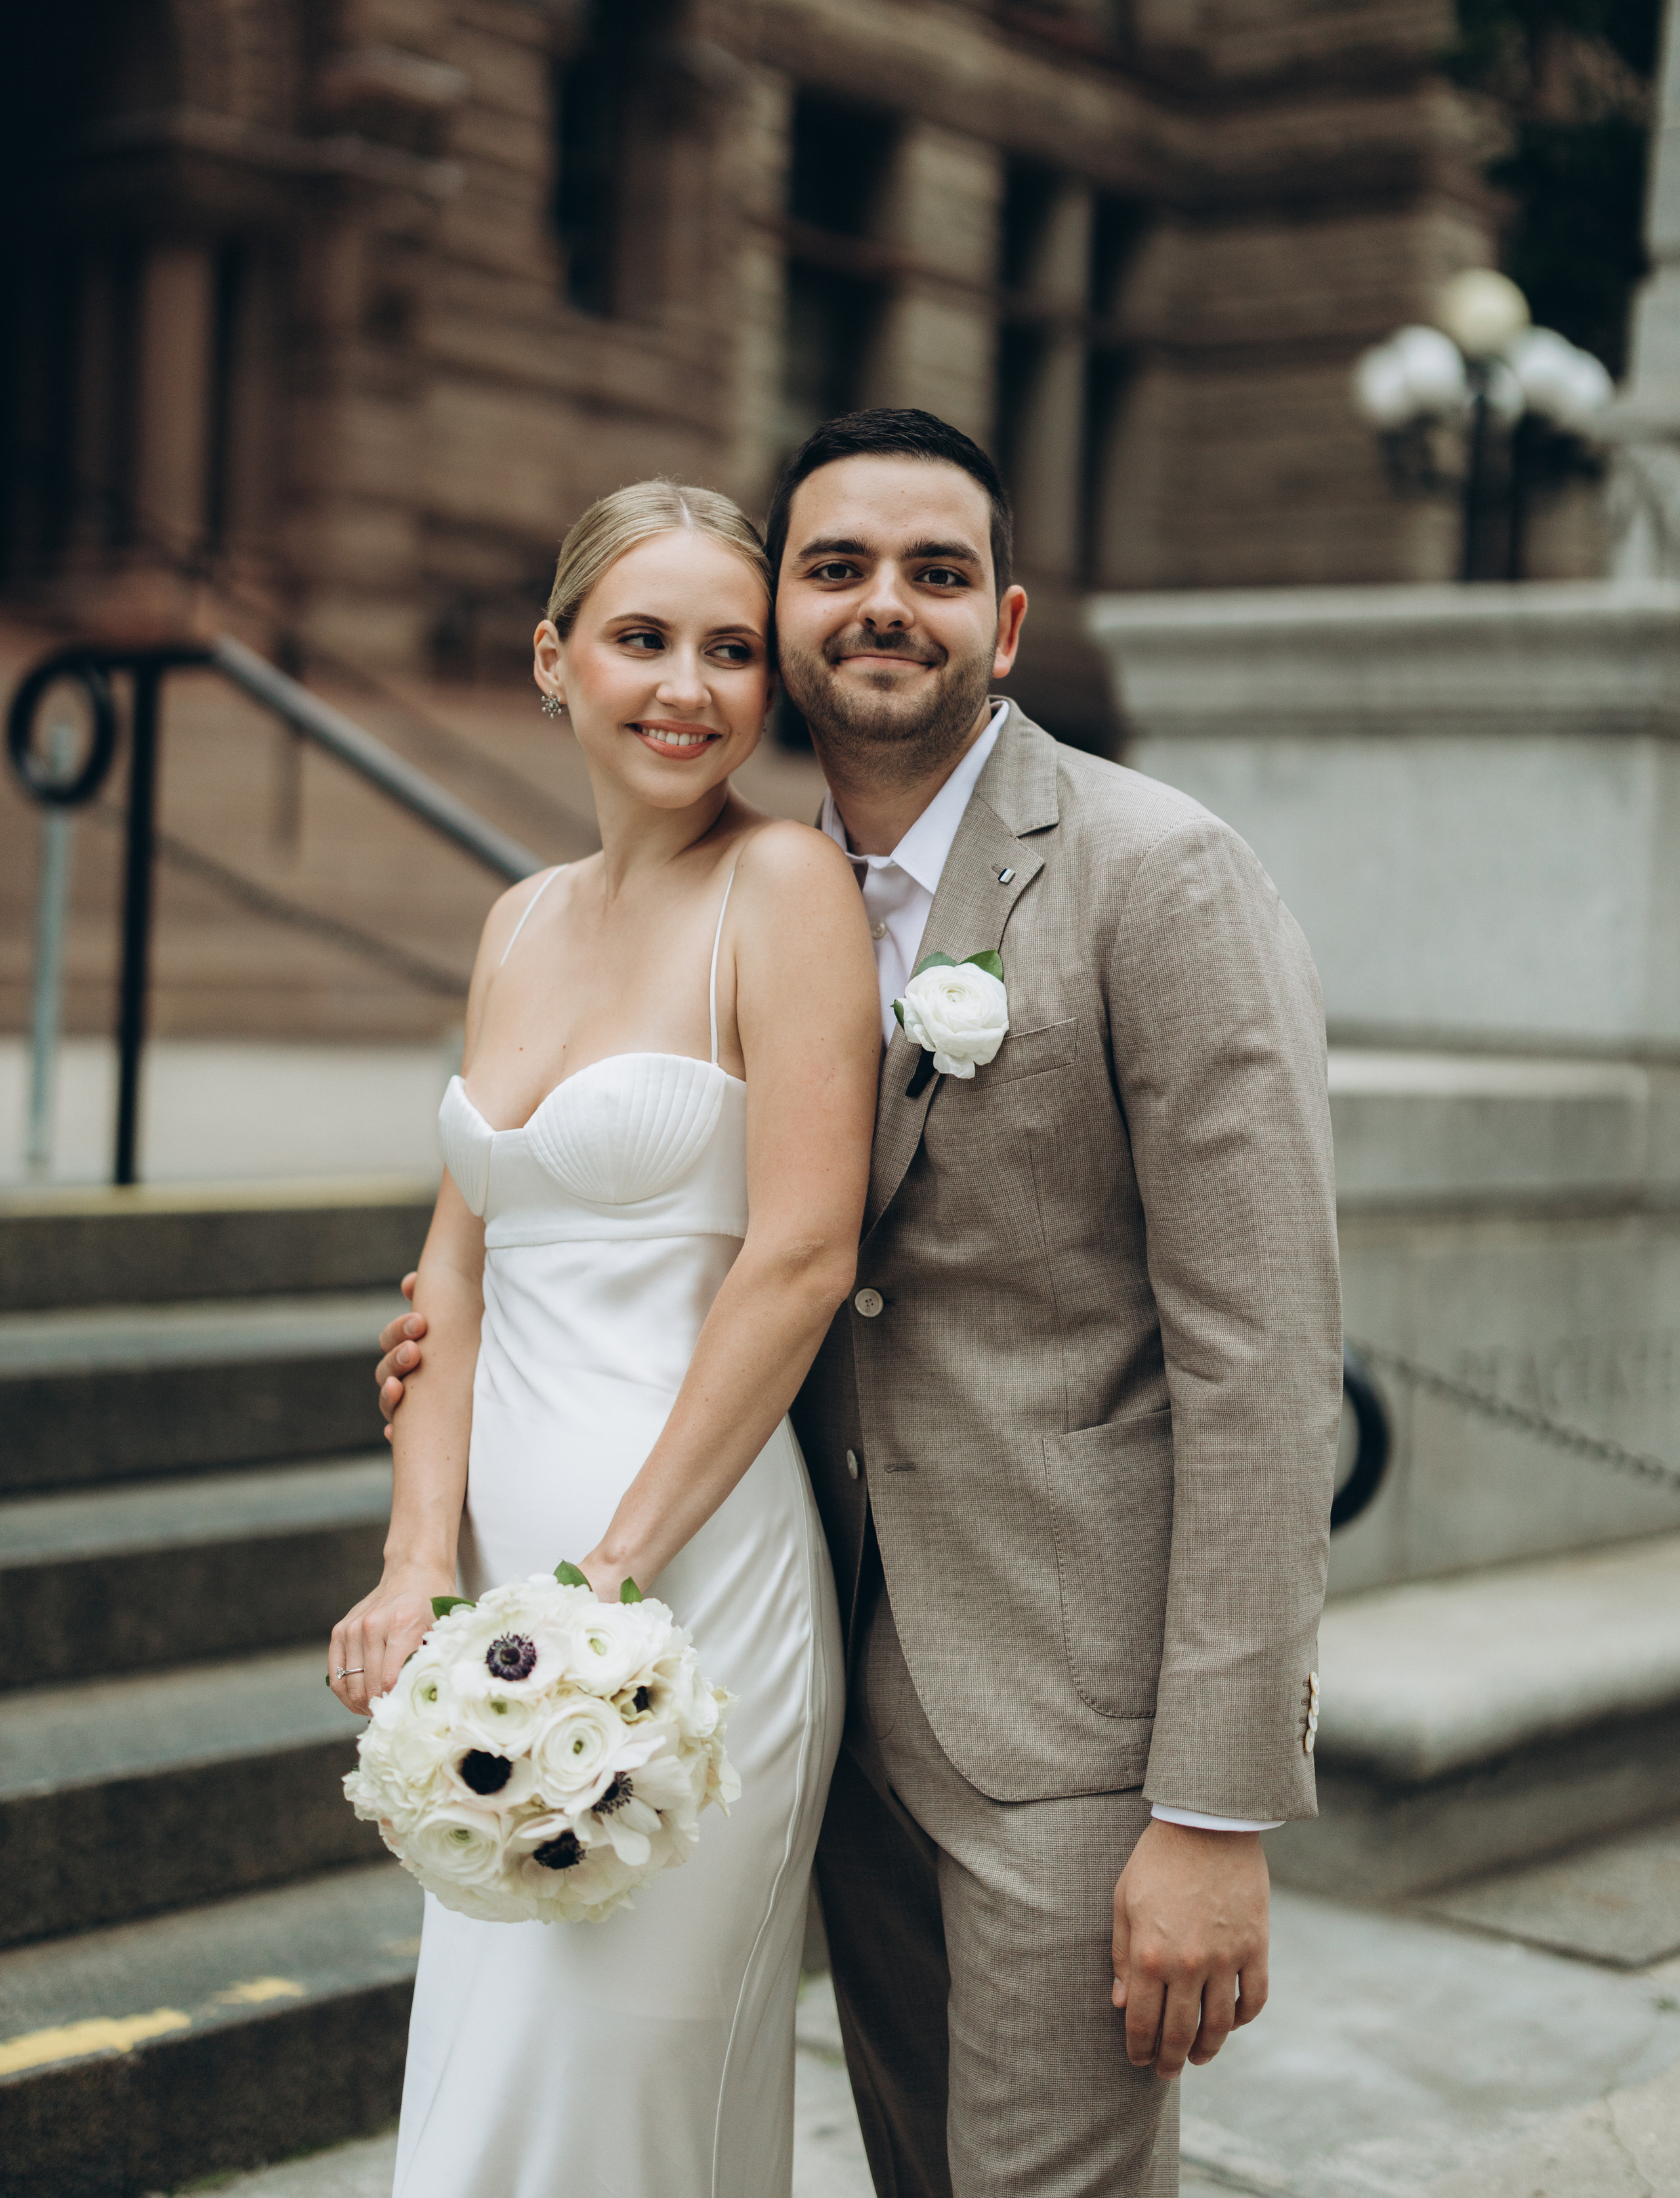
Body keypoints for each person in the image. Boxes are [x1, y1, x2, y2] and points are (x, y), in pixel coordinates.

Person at [377, 409, 1345, 2198]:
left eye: (936, 571)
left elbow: (1267, 1367)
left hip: (1064, 1712)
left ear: (1010, 620)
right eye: (834, 569)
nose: (882, 605)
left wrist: (1212, 1808)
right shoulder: (775, 877)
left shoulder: (1157, 872)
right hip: (813, 1665)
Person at [330, 478, 881, 2198]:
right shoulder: (516, 920)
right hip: (506, 1607)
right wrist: (421, 1565)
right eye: (643, 639)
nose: (689, 687)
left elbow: (798, 1258)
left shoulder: (781, 886)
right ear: (555, 658)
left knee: (619, 2104)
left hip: (685, 1597)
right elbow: (454, 1278)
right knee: (494, 2083)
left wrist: (603, 1585)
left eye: (732, 651)